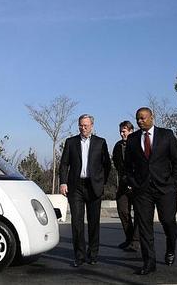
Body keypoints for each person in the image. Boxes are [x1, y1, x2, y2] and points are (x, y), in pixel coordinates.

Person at [124, 107, 177, 275]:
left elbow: (176, 161)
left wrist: (173, 182)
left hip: (165, 188)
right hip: (142, 190)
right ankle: (149, 262)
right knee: (144, 227)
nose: (140, 121)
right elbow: (128, 166)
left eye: (142, 118)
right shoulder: (133, 139)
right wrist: (133, 182)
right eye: (137, 119)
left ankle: (171, 249)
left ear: (151, 118)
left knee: (168, 221)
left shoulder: (167, 135)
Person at [59, 114, 112, 267]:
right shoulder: (70, 142)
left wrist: (102, 183)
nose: (83, 128)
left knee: (94, 223)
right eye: (81, 125)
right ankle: (79, 256)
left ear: (92, 126)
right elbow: (64, 164)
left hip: (94, 187)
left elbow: (107, 165)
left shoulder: (100, 143)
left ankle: (93, 254)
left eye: (86, 125)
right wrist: (63, 182)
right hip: (76, 187)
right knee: (77, 223)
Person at [112, 120, 139, 252]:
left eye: (124, 131)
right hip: (123, 184)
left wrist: (134, 182)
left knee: (139, 213)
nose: (122, 133)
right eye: (121, 131)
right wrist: (125, 180)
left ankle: (136, 240)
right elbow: (117, 165)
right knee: (123, 211)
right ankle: (129, 238)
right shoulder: (118, 146)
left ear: (131, 131)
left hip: (138, 185)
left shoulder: (139, 143)